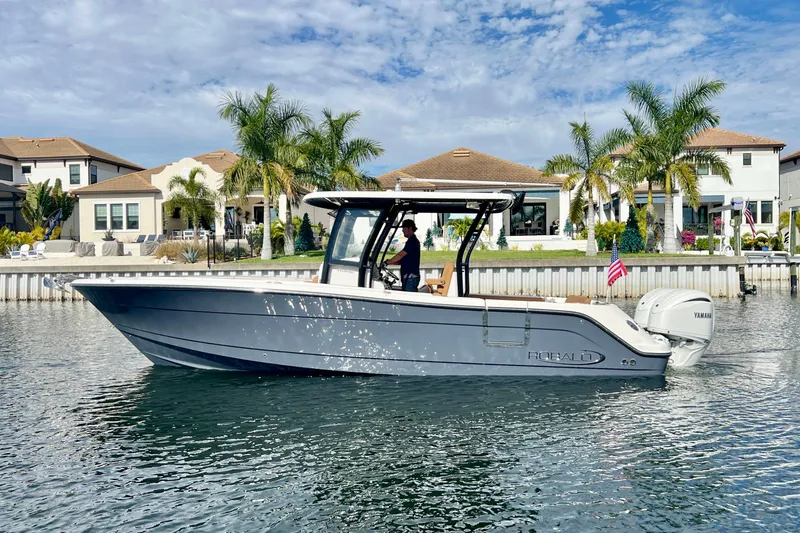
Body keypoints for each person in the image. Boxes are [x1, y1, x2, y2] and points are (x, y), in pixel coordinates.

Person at [384, 219, 420, 291]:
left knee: (409, 300)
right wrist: (391, 262)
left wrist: (387, 262)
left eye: (404, 228)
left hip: (410, 278)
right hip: (408, 277)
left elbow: (401, 255)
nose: (402, 230)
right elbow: (404, 260)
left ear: (410, 228)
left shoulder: (412, 241)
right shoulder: (411, 241)